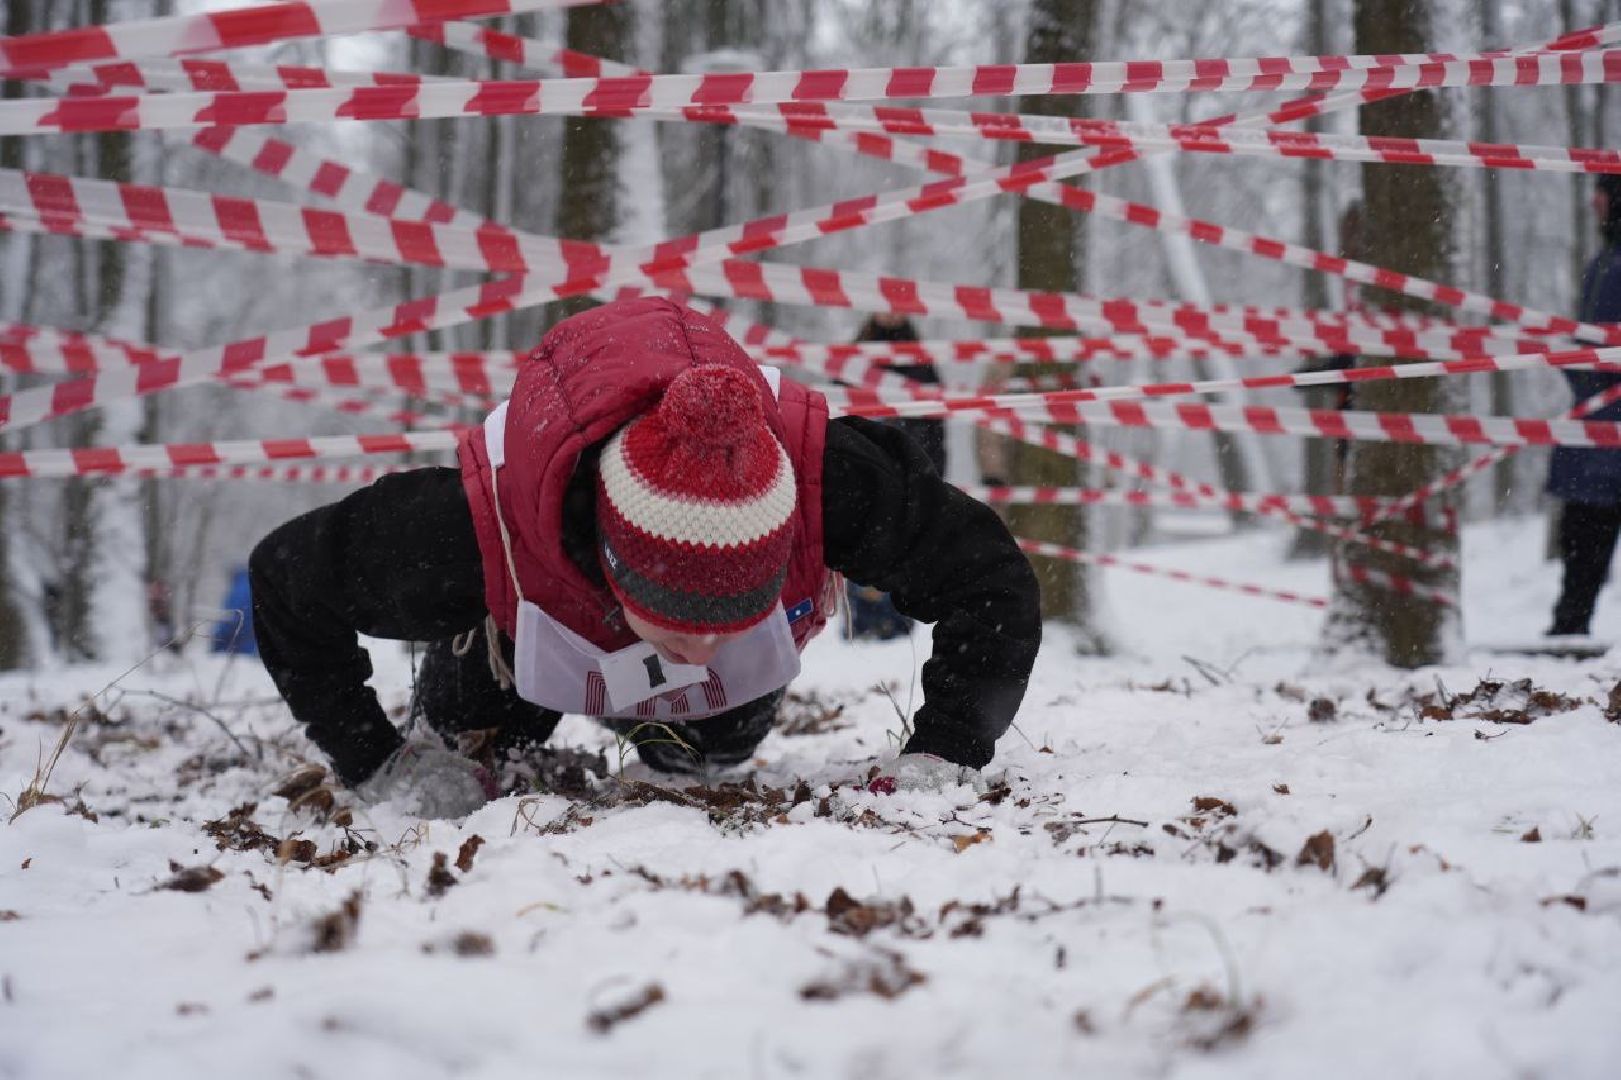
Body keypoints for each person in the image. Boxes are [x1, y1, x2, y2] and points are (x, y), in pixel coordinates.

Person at [250, 298, 1042, 818]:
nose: (696, 647)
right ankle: (477, 713)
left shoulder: (832, 481)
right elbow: (285, 578)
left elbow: (990, 577)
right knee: (467, 748)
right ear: (612, 560)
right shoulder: (463, 523)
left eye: (724, 618)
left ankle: (694, 721)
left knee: (716, 744)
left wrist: (946, 747)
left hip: (722, 668)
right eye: (676, 621)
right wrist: (376, 763)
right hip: (530, 616)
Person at [1545, 173, 1621, 638]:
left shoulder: (1611, 265)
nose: (1593, 201)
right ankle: (1568, 636)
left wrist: (1578, 363)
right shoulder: (1603, 262)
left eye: (1604, 191)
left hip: (1601, 436)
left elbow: (1597, 354)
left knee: (1584, 540)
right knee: (1582, 545)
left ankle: (1569, 633)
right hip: (1595, 437)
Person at [844, 312, 943, 640]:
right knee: (859, 542)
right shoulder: (855, 357)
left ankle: (896, 623)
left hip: (907, 469)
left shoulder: (920, 361)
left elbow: (935, 424)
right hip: (860, 467)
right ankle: (860, 623)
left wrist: (934, 476)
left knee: (899, 546)